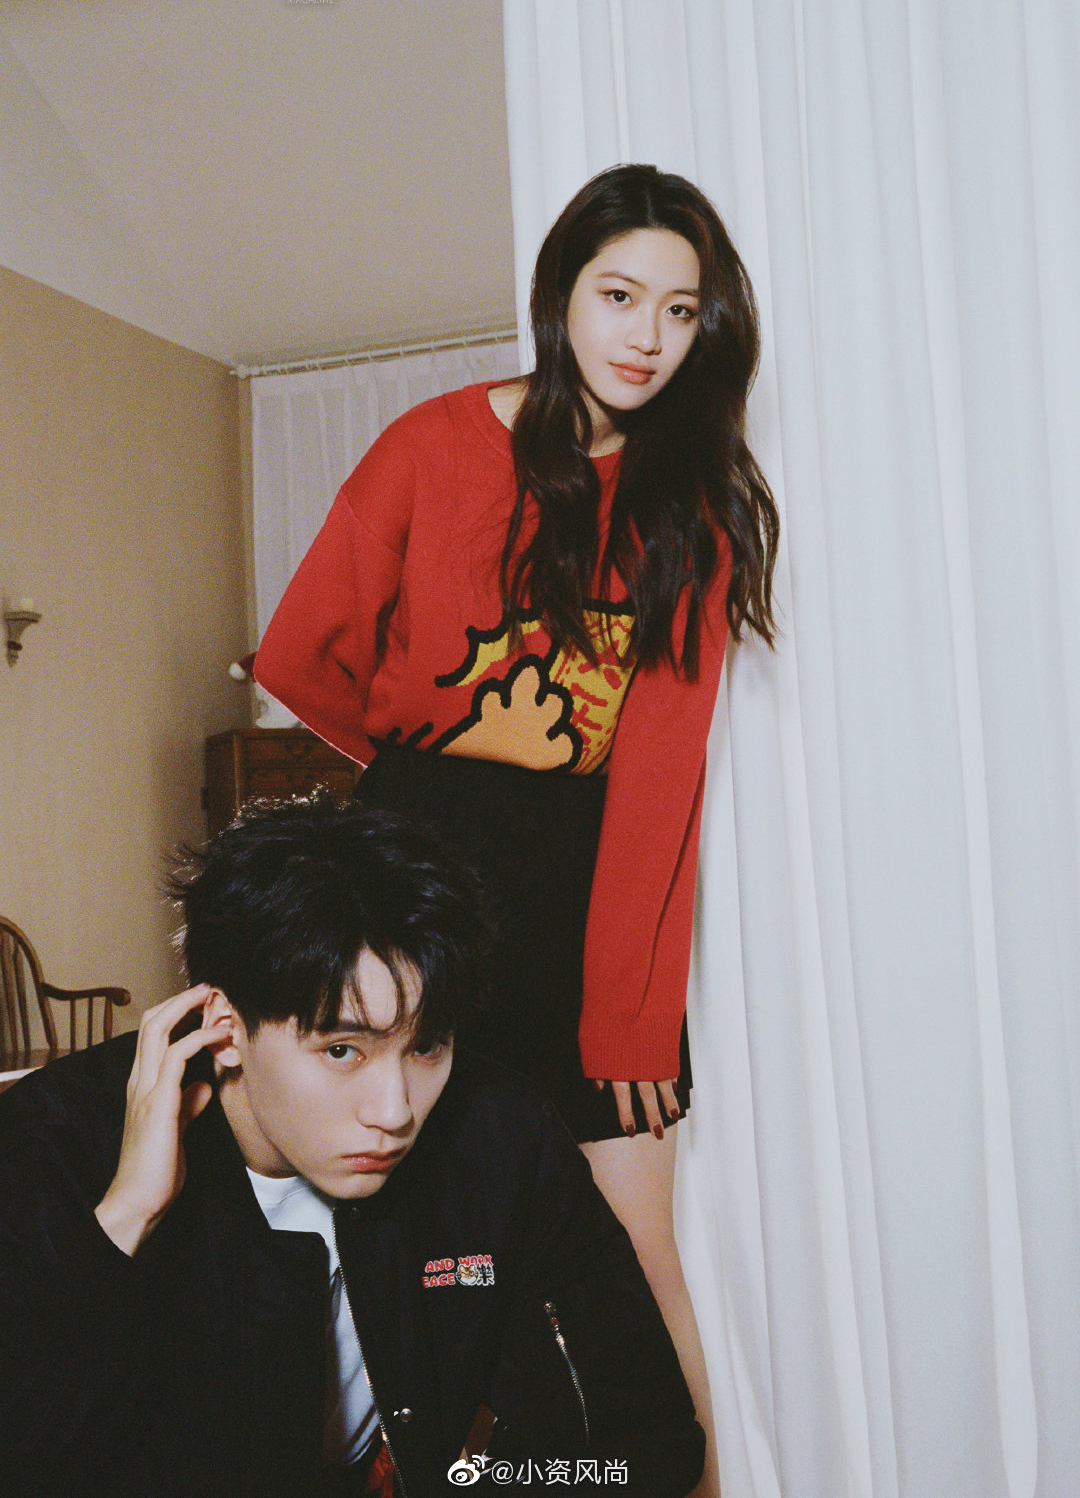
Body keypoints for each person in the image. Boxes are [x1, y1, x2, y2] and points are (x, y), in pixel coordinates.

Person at [254, 163, 780, 1494]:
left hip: (578, 885)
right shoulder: (429, 449)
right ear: (561, 297)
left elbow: (657, 782)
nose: (646, 336)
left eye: (680, 310)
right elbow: (301, 654)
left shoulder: (688, 504)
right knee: (399, 1231)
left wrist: (632, 1022)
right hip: (412, 876)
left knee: (629, 1238)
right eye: (619, 295)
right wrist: (421, 765)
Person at [0, 793, 705, 1498]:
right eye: (342, 1049)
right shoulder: (53, 1143)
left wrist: (472, 1484)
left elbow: (647, 1445)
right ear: (225, 1025)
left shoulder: (501, 1136)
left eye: (426, 1046)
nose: (394, 1111)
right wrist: (125, 1220)